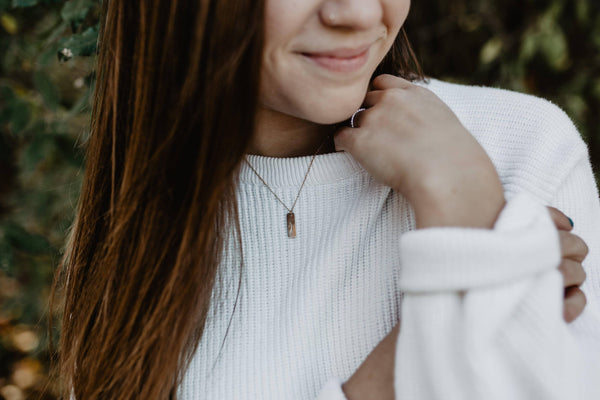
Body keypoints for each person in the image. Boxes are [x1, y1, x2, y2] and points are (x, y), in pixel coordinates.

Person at [49, 0, 600, 399]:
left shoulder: (521, 149)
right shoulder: (130, 232)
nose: (359, 14)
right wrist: (467, 242)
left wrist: (463, 189)